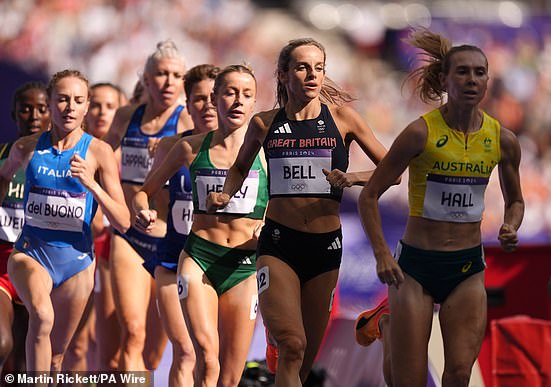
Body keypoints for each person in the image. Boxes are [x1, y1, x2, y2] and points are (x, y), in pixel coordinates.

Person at [207, 39, 390, 386]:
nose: (312, 75)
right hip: (279, 244)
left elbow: (391, 170)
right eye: (303, 67)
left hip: (325, 249)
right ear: (283, 74)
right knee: (293, 344)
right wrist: (226, 194)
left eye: (319, 68)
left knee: (303, 365)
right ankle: (279, 350)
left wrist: (351, 178)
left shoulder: (343, 119)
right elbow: (240, 166)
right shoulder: (264, 124)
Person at [356, 29, 524, 386]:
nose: (472, 79)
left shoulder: (503, 140)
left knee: (460, 373)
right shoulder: (420, 133)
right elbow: (368, 195)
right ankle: (388, 328)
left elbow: (516, 201)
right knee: (410, 380)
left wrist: (511, 225)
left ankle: (393, 328)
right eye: (462, 71)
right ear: (445, 79)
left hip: (466, 268)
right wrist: (383, 255)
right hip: (415, 268)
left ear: (488, 81)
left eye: (480, 72)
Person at [134, 64, 266, 386]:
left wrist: (268, 221)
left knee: (231, 375)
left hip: (245, 266)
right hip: (199, 258)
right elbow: (144, 192)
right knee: (206, 358)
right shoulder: (190, 148)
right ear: (216, 98)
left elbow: (282, 202)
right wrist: (143, 210)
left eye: (246, 95)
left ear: (253, 103)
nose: (237, 101)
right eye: (230, 93)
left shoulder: (266, 152)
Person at [0, 69, 130, 373]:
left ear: (86, 107)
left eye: (78, 100)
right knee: (42, 317)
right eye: (62, 99)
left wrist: (92, 185)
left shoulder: (99, 152)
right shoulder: (26, 148)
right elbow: (4, 178)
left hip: (78, 263)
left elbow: (123, 221)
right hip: (31, 253)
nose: (70, 107)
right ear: (51, 103)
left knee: (57, 358)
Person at [104, 40, 193, 372]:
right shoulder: (127, 117)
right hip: (128, 235)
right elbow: (99, 155)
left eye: (175, 75)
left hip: (168, 240)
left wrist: (171, 153)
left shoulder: (186, 124)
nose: (168, 82)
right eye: (161, 74)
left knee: (156, 354)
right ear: (146, 77)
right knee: (133, 333)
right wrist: (107, 199)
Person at [140, 64, 219, 386]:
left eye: (216, 96)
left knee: (215, 356)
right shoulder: (173, 147)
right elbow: (153, 200)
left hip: (222, 264)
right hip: (174, 259)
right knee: (186, 351)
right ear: (187, 105)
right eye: (199, 99)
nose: (209, 105)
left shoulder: (246, 146)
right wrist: (147, 213)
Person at [63, 82, 127, 372]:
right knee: (76, 343)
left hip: (120, 253)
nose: (102, 112)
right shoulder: (71, 150)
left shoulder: (130, 154)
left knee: (119, 343)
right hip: (81, 251)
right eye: (97, 104)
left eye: (110, 106)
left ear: (122, 110)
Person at [0, 82, 51, 376]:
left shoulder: (66, 161)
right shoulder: (2, 157)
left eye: (42, 109)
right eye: (26, 109)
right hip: (4, 263)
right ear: (14, 114)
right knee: (2, 343)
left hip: (45, 266)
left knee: (25, 365)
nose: (33, 115)